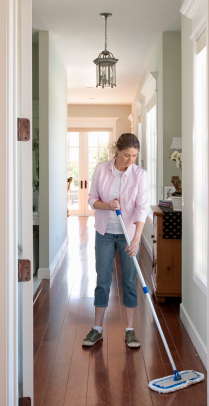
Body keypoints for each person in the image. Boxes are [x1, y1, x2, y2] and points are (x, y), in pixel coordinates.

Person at [82, 133, 149, 348]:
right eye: (127, 155)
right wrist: (108, 205)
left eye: (135, 156)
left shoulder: (140, 175)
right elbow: (92, 199)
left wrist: (137, 239)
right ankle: (97, 329)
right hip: (104, 232)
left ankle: (130, 331)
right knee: (102, 280)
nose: (130, 160)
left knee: (129, 280)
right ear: (117, 151)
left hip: (129, 234)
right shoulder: (102, 169)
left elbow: (141, 208)